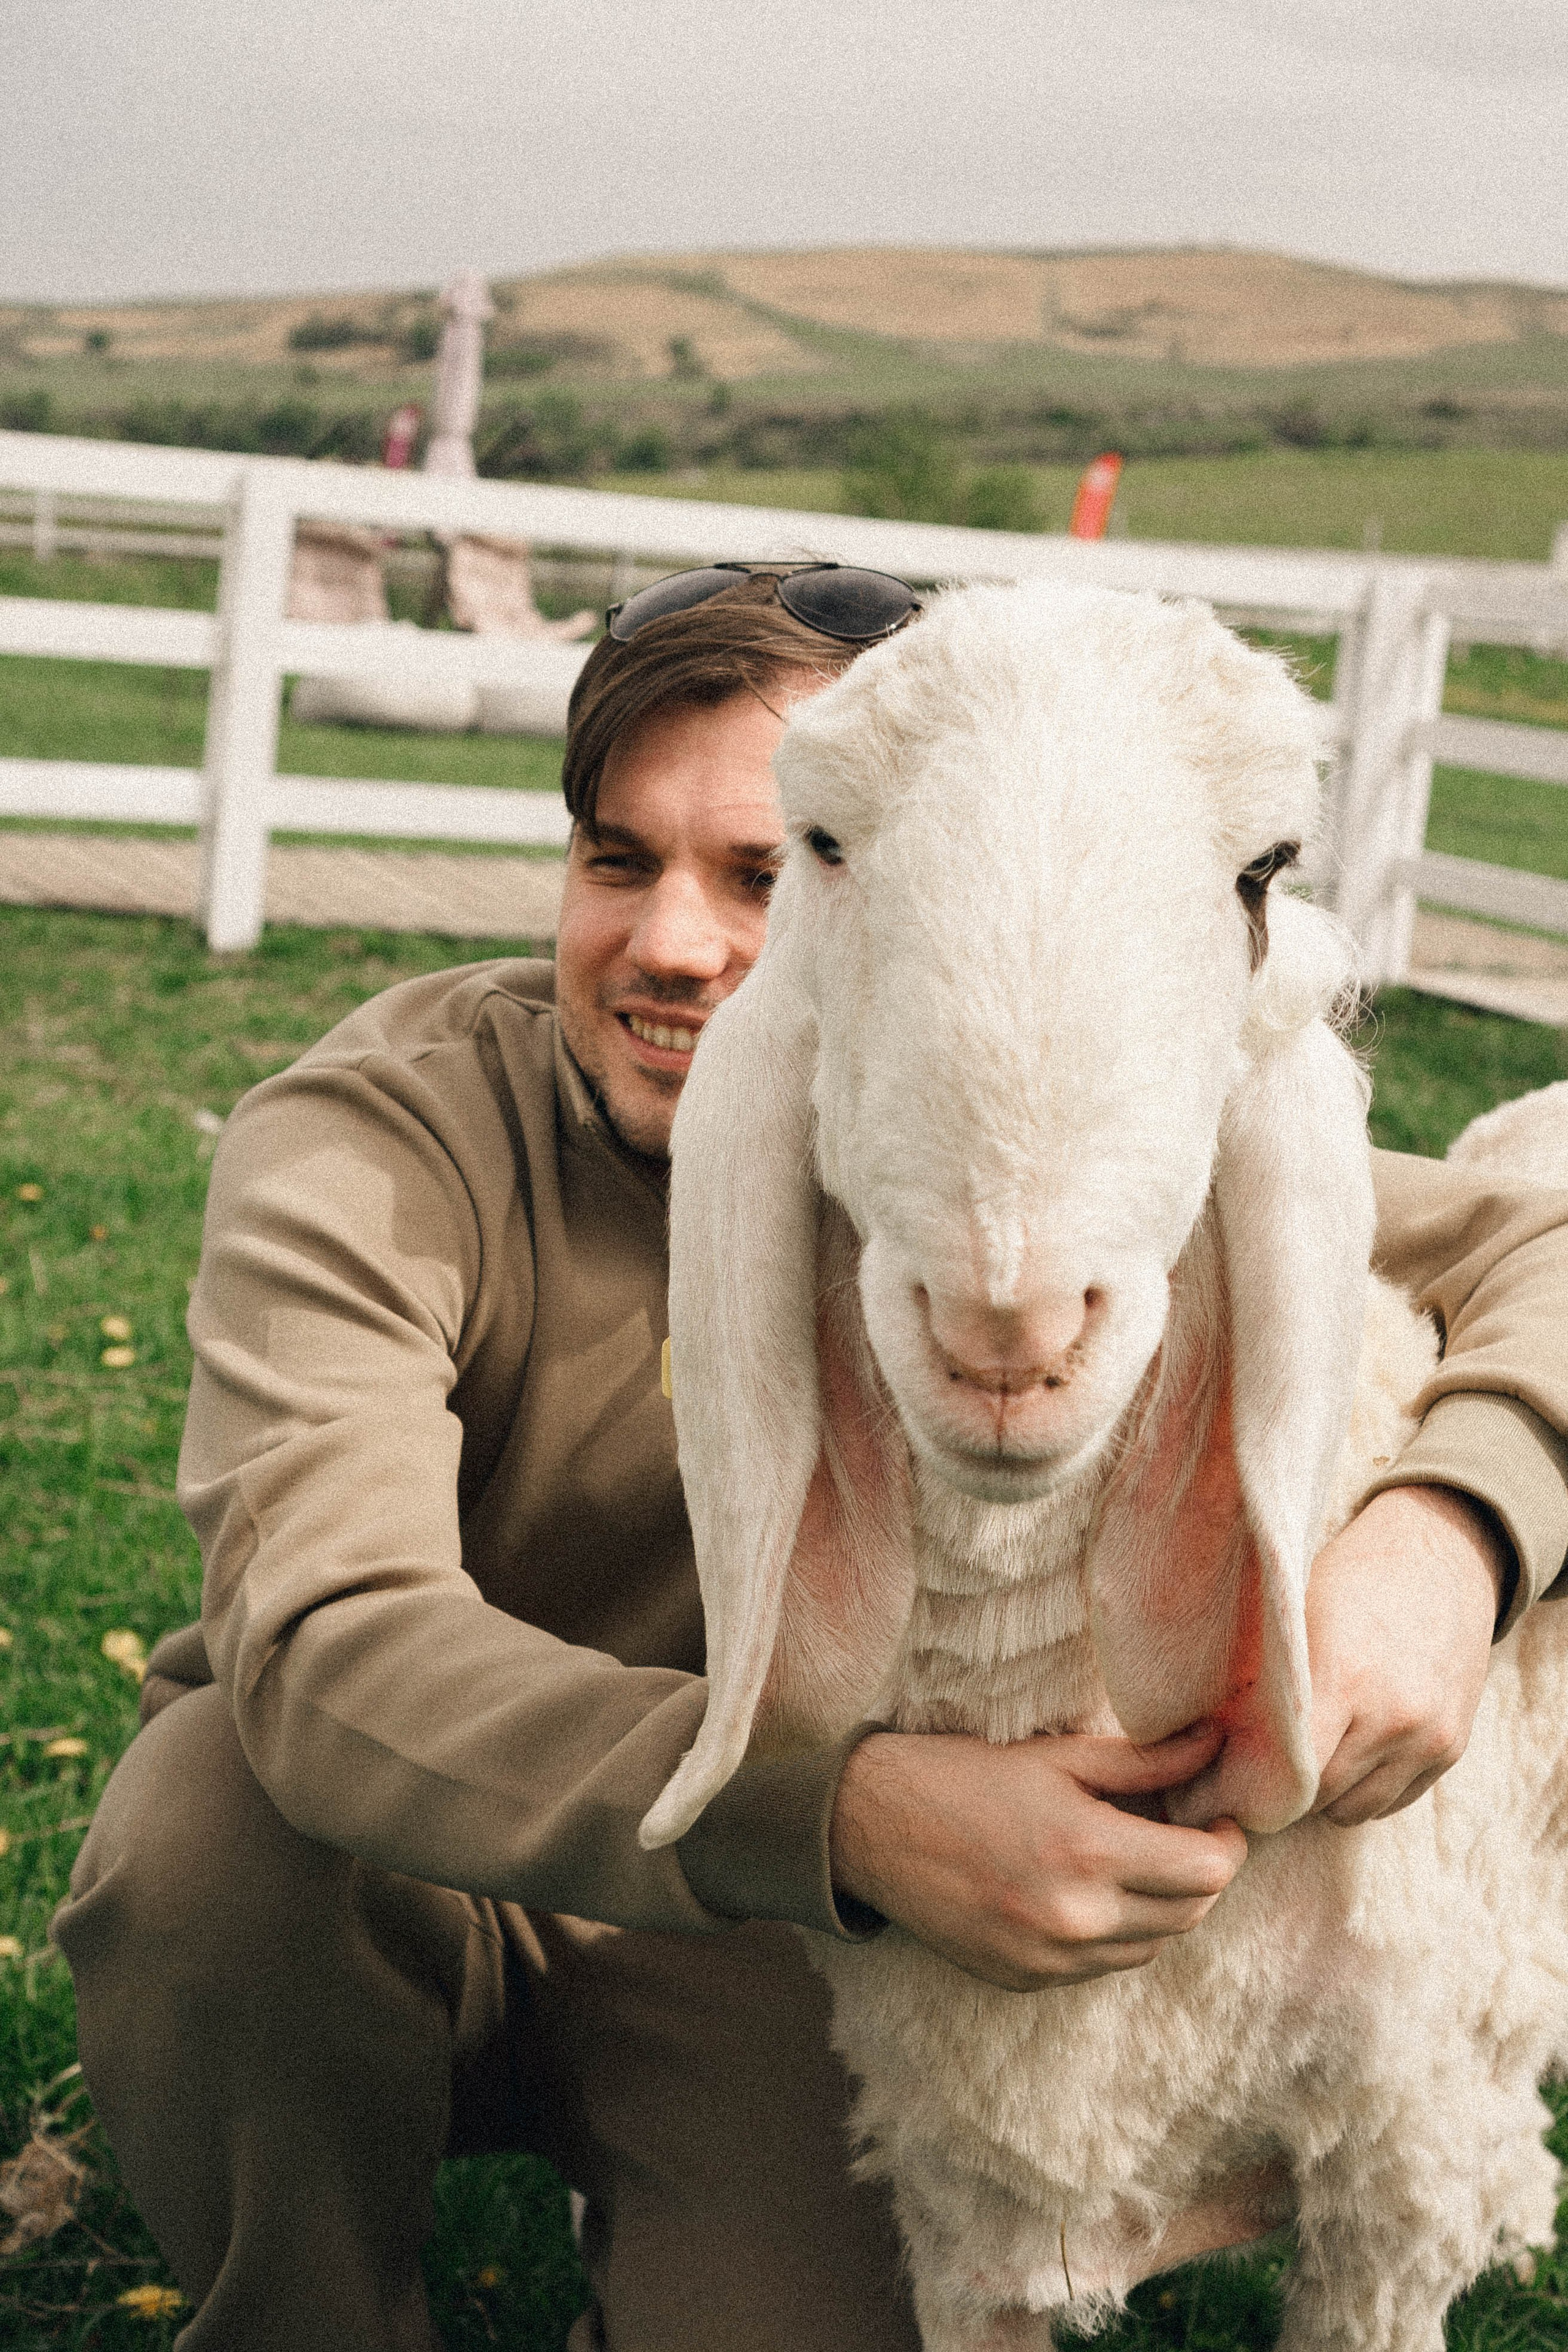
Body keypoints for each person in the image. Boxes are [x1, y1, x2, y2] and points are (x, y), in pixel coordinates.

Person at [55, 565, 1568, 2352]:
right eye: (619, 859)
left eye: (770, 874)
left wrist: (1455, 1533)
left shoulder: (1006, 1156)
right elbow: (329, 1642)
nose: (674, 944)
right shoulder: (384, 1140)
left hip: (781, 1942)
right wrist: (843, 1815)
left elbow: (1538, 1246)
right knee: (209, 1821)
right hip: (463, 1850)